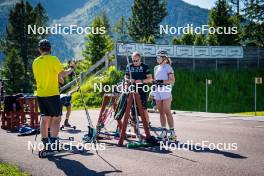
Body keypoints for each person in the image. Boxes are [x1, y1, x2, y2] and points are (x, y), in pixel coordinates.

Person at [32, 39, 75, 150]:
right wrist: (71, 68)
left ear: (39, 49)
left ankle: (45, 142)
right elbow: (63, 74)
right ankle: (54, 142)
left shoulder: (35, 62)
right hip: (52, 93)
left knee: (44, 118)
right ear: (50, 49)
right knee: (56, 118)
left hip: (40, 94)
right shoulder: (53, 59)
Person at [153, 50, 176, 141]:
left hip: (165, 90)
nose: (158, 58)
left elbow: (172, 80)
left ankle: (172, 133)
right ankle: (163, 131)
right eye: (157, 56)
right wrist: (153, 90)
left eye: (160, 57)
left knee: (167, 111)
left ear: (164, 58)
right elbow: (155, 80)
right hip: (157, 90)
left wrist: (162, 81)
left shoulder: (168, 67)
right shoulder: (156, 68)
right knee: (161, 112)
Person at [125, 52, 153, 124]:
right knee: (132, 106)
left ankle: (147, 122)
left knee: (143, 107)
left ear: (140, 59)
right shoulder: (129, 66)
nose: (135, 62)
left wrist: (141, 81)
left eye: (136, 60)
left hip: (142, 89)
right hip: (132, 89)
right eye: (133, 61)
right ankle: (134, 121)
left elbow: (150, 79)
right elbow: (126, 77)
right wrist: (128, 80)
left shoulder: (145, 66)